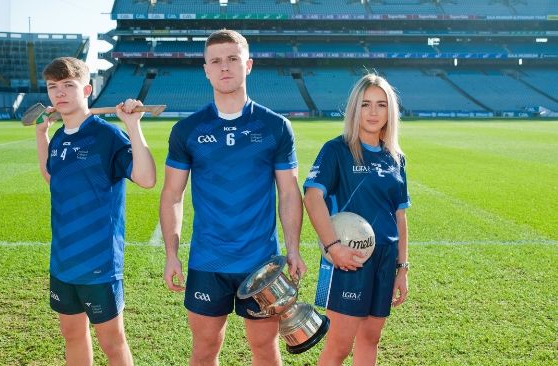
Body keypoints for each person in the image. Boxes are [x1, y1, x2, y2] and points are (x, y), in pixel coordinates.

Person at [160, 29, 307, 366]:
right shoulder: (187, 130)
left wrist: (294, 249)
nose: (224, 67)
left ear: (248, 65)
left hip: (261, 263)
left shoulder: (276, 127)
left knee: (265, 350)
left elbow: (288, 192)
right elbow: (172, 195)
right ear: (206, 70)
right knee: (204, 349)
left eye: (232, 59)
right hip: (207, 262)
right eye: (216, 61)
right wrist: (172, 254)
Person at [35, 56, 156, 366]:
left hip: (99, 263)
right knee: (72, 334)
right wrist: (42, 137)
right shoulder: (60, 137)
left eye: (68, 86)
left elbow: (146, 179)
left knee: (112, 343)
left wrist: (132, 126)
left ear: (86, 89)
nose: (59, 93)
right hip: (63, 260)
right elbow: (53, 177)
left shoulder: (107, 136)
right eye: (53, 87)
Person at [302, 73, 410, 366]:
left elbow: (399, 215)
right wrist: (333, 247)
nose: (373, 112)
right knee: (339, 345)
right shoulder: (337, 150)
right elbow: (312, 198)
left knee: (370, 339)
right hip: (348, 259)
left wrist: (402, 267)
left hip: (386, 261)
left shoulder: (396, 157)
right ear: (354, 109)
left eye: (381, 104)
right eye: (365, 104)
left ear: (391, 111)